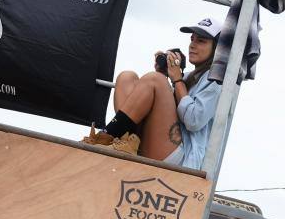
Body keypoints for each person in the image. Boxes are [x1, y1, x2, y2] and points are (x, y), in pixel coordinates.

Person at [83, 18, 223, 169]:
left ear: (217, 48)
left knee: (155, 79)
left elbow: (193, 121)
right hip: (161, 144)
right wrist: (164, 73)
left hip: (184, 159)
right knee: (127, 77)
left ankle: (105, 136)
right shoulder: (188, 76)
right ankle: (125, 142)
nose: (192, 45)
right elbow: (164, 110)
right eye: (192, 39)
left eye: (201, 41)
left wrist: (176, 80)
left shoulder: (217, 81)